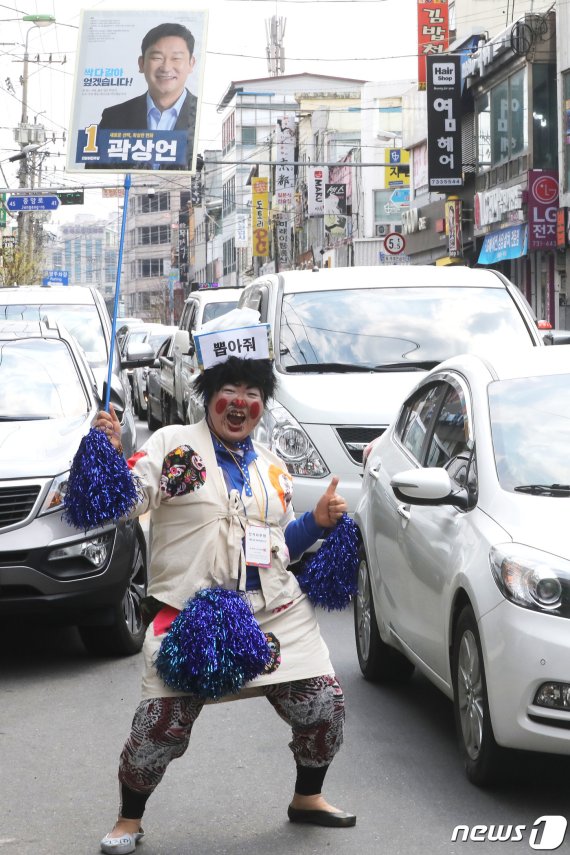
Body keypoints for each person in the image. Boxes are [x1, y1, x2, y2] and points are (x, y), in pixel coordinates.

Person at [94, 313, 356, 854]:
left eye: (253, 391)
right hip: (189, 616)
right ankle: (128, 818)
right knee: (160, 726)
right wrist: (108, 451)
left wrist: (321, 522)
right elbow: (125, 501)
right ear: (209, 395)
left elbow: (278, 538)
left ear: (263, 403)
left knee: (323, 706)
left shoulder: (271, 466)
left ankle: (307, 797)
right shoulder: (173, 447)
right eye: (229, 388)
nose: (240, 401)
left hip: (274, 610)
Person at [89, 22, 198, 171]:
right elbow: (95, 170)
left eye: (176, 58)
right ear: (141, 64)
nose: (166, 67)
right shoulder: (113, 118)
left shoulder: (201, 114)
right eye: (157, 58)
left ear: (191, 64)